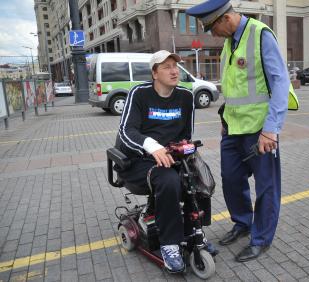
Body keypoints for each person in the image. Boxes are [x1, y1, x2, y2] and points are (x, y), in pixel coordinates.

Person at [187, 0, 290, 262]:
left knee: (266, 187)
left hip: (259, 130)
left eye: (212, 28)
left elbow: (280, 83)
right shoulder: (229, 42)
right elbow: (234, 86)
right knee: (231, 180)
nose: (212, 34)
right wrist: (224, 118)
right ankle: (243, 223)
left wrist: (271, 129)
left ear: (226, 19)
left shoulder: (260, 34)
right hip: (232, 129)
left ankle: (261, 239)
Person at [115, 50, 194, 273]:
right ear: (154, 73)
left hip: (168, 158)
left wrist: (184, 151)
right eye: (166, 66)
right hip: (137, 160)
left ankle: (192, 234)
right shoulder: (139, 94)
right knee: (169, 180)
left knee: (196, 178)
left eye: (175, 66)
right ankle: (170, 245)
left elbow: (186, 134)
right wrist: (152, 146)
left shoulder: (186, 98)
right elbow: (126, 131)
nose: (174, 70)